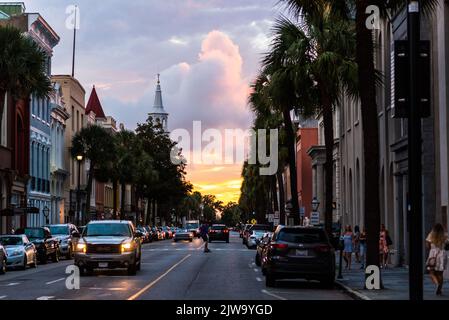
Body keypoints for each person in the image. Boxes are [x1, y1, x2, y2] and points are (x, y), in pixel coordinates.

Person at [426, 223, 448, 295]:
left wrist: (432, 248)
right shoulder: (445, 235)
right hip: (442, 254)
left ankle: (437, 284)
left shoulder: (431, 234)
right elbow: (447, 244)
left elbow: (427, 245)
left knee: (431, 272)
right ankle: (440, 288)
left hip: (433, 254)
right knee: (440, 274)